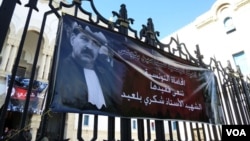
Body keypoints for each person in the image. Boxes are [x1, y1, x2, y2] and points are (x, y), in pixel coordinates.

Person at [52, 20, 126, 114]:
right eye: (85, 39)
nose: (89, 47)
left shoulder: (104, 74)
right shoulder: (62, 68)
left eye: (95, 44)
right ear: (72, 40)